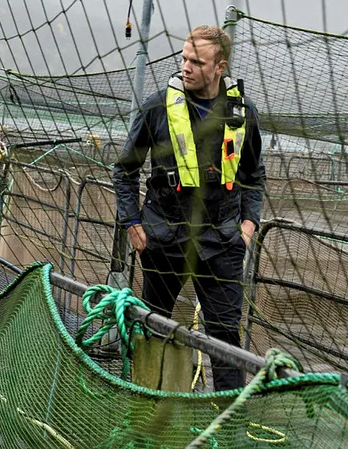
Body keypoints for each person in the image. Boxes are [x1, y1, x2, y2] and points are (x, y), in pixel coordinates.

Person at [112, 25, 266, 391]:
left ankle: (226, 425)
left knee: (226, 341)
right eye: (183, 58)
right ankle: (147, 403)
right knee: (155, 326)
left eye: (196, 61)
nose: (186, 66)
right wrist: (133, 223)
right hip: (164, 237)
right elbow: (124, 170)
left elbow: (253, 174)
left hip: (222, 242)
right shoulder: (156, 107)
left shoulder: (242, 112)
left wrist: (248, 227)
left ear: (220, 67)